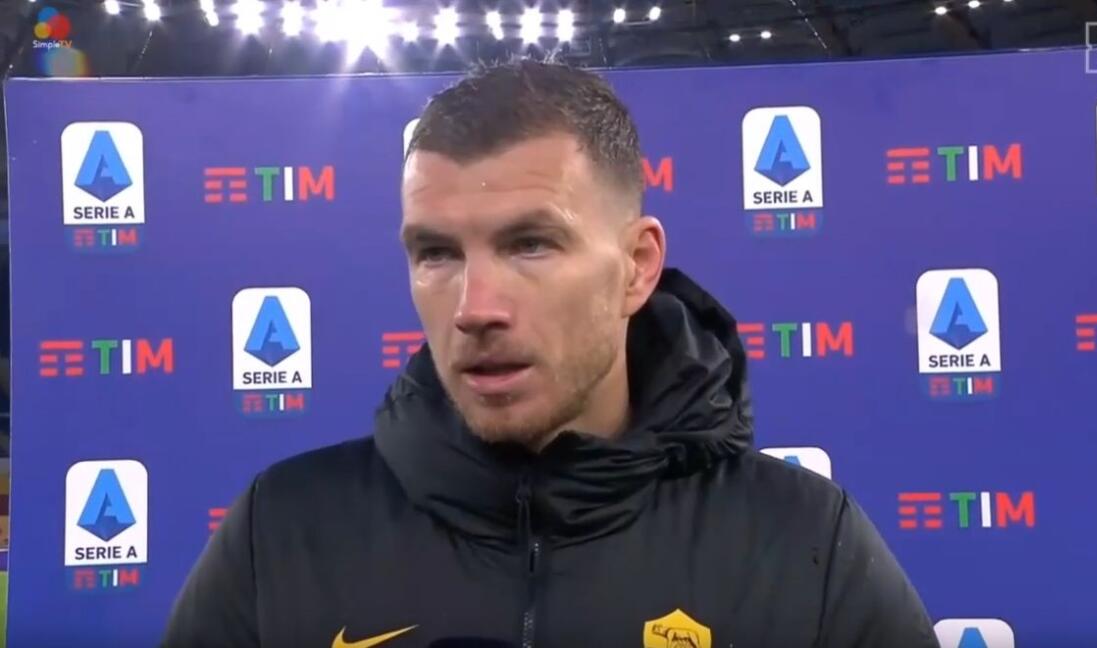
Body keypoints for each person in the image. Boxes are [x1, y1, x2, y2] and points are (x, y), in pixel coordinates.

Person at [164, 59, 940, 648]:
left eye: (530, 244)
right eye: (436, 254)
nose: (475, 308)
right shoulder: (284, 535)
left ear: (636, 265)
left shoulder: (803, 544)